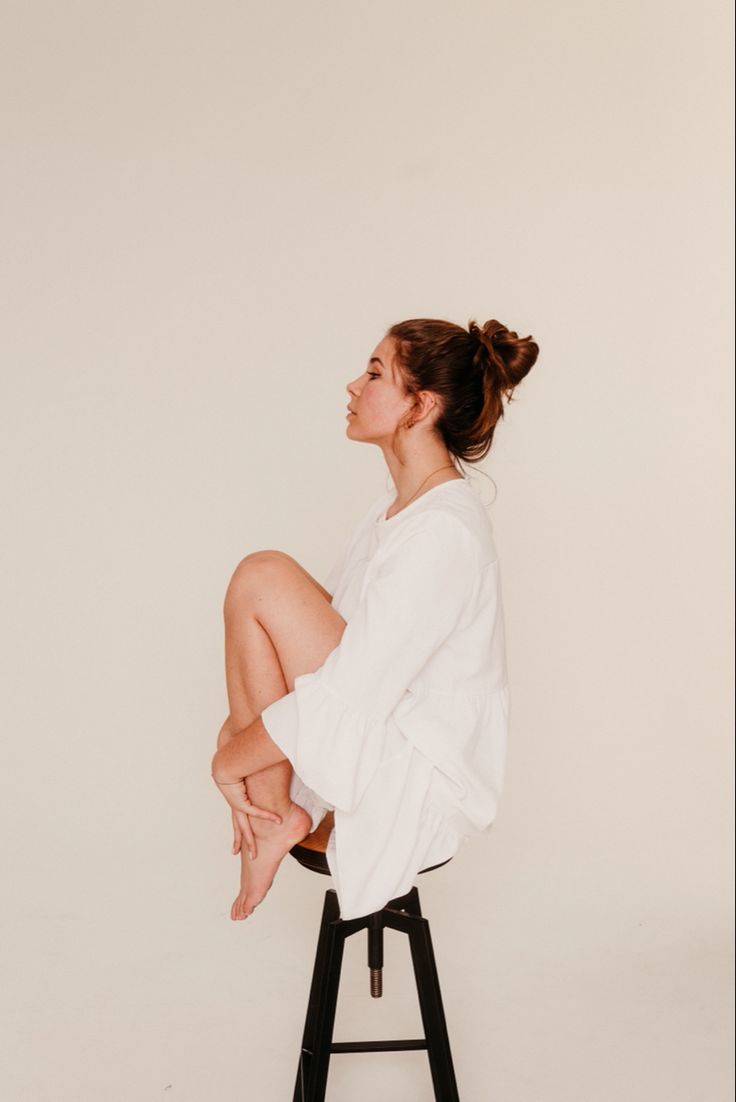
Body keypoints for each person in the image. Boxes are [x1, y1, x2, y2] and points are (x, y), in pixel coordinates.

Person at [210, 316, 539, 921]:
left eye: (374, 373)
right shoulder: (397, 511)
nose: (352, 386)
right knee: (259, 582)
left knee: (262, 574)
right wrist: (238, 738)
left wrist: (231, 758)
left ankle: (270, 817)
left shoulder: (443, 531)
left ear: (421, 405)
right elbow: (323, 659)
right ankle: (275, 816)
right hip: (377, 728)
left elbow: (349, 690)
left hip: (418, 776)